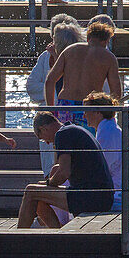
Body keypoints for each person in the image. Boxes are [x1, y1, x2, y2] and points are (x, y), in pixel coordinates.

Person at [18, 112, 114, 228]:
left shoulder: (62, 134)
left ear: (43, 129)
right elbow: (64, 168)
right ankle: (56, 234)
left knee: (30, 191)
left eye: (42, 138)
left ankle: (17, 239)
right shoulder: (73, 129)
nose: (47, 143)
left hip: (90, 197)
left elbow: (64, 173)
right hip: (102, 196)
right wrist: (46, 185)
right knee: (38, 194)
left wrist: (48, 183)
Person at [29, 19, 84, 174]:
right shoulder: (51, 56)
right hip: (74, 108)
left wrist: (51, 109)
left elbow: (53, 80)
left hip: (68, 108)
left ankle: (59, 178)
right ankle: (56, 176)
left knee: (64, 147)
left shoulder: (67, 56)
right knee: (62, 148)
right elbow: (36, 85)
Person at [44, 20, 122, 124]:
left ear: (88, 38)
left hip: (65, 105)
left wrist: (51, 109)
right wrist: (110, 113)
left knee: (65, 138)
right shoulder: (109, 57)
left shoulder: (69, 50)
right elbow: (116, 91)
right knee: (87, 139)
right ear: (106, 41)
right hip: (89, 107)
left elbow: (50, 80)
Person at [82, 91, 129, 205]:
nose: (84, 115)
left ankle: (60, 221)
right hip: (114, 183)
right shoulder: (109, 129)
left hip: (114, 187)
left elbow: (101, 166)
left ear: (98, 112)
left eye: (87, 111)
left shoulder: (108, 133)